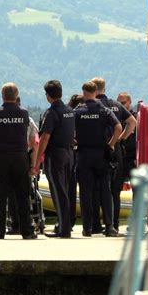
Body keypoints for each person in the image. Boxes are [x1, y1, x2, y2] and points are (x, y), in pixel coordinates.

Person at [0, 82, 36, 240]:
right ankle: (27, 231)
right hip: (20, 156)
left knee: (0, 195)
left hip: (1, 156)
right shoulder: (24, 113)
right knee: (23, 194)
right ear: (17, 96)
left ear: (2, 96)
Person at [75, 81, 122, 237]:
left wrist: (74, 141)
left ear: (83, 92)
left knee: (85, 192)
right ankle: (109, 226)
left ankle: (87, 227)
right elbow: (118, 127)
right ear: (96, 92)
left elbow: (69, 129)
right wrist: (111, 144)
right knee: (105, 191)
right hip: (101, 154)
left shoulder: (78, 111)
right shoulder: (104, 110)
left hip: (83, 155)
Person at [91, 77, 136, 233]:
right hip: (115, 151)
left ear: (93, 89)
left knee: (95, 188)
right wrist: (120, 139)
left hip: (96, 150)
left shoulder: (91, 106)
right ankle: (114, 225)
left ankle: (95, 224)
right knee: (114, 190)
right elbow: (132, 122)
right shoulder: (116, 105)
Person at [31, 80, 75, 238]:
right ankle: (65, 225)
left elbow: (44, 139)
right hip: (69, 154)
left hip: (55, 155)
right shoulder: (69, 110)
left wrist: (36, 162)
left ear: (48, 96)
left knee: (58, 192)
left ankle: (63, 229)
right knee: (65, 190)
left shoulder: (52, 113)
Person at [6, 96, 40, 234]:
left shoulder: (0, 118)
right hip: (22, 157)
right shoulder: (28, 120)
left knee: (10, 193)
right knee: (24, 193)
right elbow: (34, 144)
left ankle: (15, 224)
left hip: (5, 157)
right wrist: (34, 165)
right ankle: (27, 224)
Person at [67, 94, 84, 228]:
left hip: (70, 154)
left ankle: (69, 219)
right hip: (84, 153)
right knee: (87, 189)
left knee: (70, 189)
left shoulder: (70, 115)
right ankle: (88, 222)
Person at [117, 92, 137, 199]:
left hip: (132, 158)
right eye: (118, 103)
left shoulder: (136, 118)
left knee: (137, 189)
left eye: (123, 103)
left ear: (129, 102)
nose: (121, 105)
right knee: (115, 188)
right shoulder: (116, 118)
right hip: (120, 158)